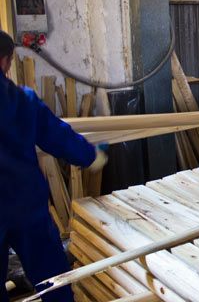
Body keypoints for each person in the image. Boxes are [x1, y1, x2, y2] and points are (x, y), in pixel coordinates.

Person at [0, 30, 107, 302]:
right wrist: (92, 156)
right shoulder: (21, 100)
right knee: (53, 280)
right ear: (5, 61)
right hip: (26, 206)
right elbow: (57, 136)